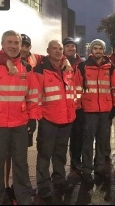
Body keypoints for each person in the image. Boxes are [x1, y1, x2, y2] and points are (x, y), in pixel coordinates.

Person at [0, 30, 41, 205]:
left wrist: (33, 118)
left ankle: (23, 197)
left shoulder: (27, 67)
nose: (13, 46)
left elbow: (33, 95)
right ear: (2, 45)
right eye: (9, 42)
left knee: (20, 163)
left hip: (19, 124)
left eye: (16, 43)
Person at [34, 40, 77, 198]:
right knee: (44, 154)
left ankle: (59, 179)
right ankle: (43, 184)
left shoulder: (67, 68)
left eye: (60, 49)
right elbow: (35, 95)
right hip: (48, 120)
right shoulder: (40, 69)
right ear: (48, 50)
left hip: (66, 119)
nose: (59, 51)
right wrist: (40, 117)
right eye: (55, 49)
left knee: (60, 153)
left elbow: (72, 92)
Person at [75, 39, 115, 184]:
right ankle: (87, 170)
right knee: (87, 141)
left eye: (100, 48)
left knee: (102, 141)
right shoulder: (82, 67)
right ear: (91, 50)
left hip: (105, 111)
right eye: (95, 48)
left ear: (104, 50)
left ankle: (100, 168)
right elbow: (76, 89)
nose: (98, 51)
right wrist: (78, 108)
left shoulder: (110, 68)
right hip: (88, 111)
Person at [62, 37, 85, 172]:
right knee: (63, 138)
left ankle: (76, 160)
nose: (71, 48)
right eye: (68, 46)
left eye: (73, 46)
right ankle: (61, 164)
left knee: (78, 136)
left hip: (78, 106)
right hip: (63, 106)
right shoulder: (58, 63)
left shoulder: (81, 64)